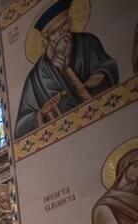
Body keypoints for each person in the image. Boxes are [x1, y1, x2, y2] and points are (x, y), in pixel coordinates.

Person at [14, 0, 118, 137]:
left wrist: (102, 73)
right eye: (54, 32)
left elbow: (109, 66)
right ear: (46, 40)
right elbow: (20, 127)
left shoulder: (88, 43)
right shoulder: (36, 78)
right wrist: (41, 114)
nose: (62, 33)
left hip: (107, 122)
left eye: (64, 24)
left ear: (70, 21)